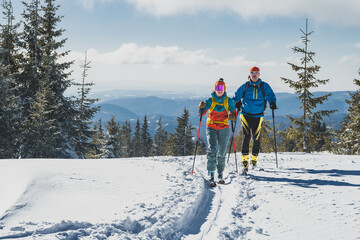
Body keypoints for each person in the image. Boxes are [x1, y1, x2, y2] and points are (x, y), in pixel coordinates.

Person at [232, 67, 277, 173]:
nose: (254, 74)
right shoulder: (245, 86)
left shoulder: (264, 86)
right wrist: (236, 102)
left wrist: (272, 103)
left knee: (256, 138)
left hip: (258, 115)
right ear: (250, 74)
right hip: (245, 114)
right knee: (246, 137)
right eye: (252, 72)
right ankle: (245, 163)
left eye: (256, 73)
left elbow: (271, 96)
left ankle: (254, 162)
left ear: (259, 74)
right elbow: (236, 96)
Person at [198, 78, 237, 187]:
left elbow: (234, 111)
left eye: (221, 88)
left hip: (224, 127)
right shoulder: (210, 100)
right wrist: (201, 109)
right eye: (217, 88)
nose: (219, 90)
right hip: (211, 127)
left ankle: (220, 173)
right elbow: (204, 110)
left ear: (224, 89)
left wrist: (233, 116)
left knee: (222, 151)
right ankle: (211, 174)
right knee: (212, 149)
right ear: (215, 89)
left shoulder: (228, 101)